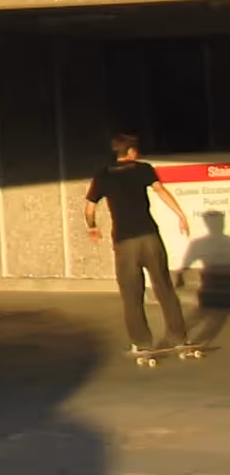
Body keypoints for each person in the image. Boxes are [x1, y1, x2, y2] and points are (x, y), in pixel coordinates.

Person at [86, 132, 192, 359]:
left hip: (125, 243)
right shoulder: (143, 169)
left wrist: (92, 227)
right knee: (164, 287)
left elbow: (90, 208)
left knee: (132, 294)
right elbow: (161, 190)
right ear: (132, 152)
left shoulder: (103, 175)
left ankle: (142, 343)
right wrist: (180, 214)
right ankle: (179, 337)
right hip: (150, 237)